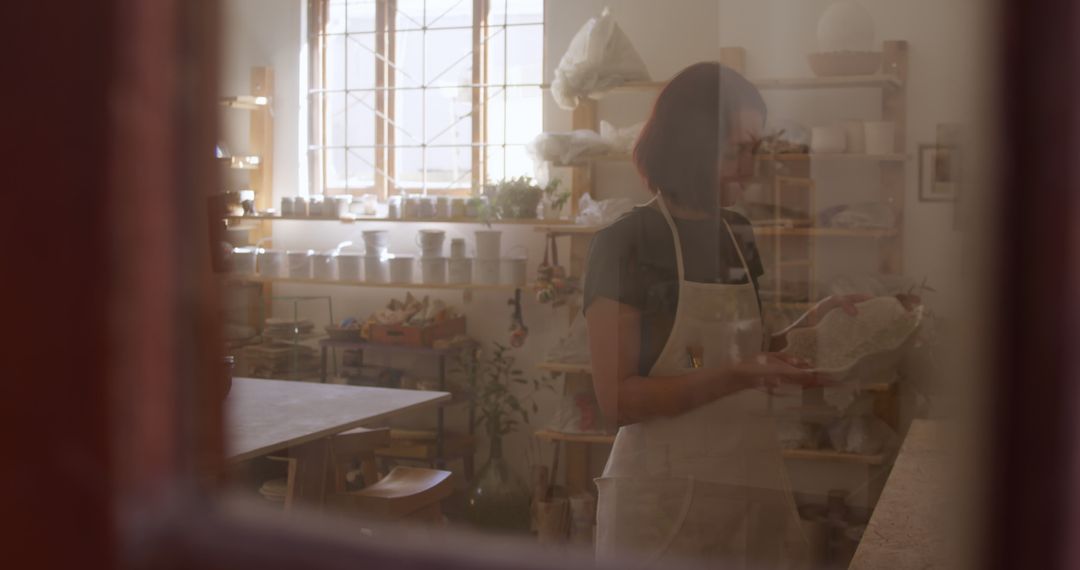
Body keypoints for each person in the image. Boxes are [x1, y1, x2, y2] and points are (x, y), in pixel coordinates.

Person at [583, 62, 914, 567]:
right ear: (690, 143)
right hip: (660, 499)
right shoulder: (626, 244)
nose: (749, 167)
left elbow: (739, 351)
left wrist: (816, 322)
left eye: (755, 149)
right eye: (737, 149)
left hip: (747, 483)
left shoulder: (736, 233)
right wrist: (739, 376)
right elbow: (618, 401)